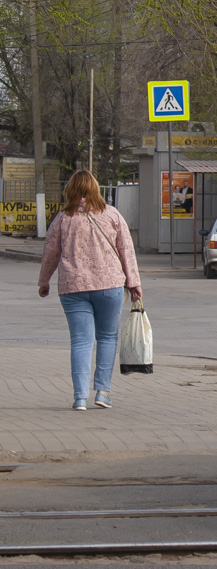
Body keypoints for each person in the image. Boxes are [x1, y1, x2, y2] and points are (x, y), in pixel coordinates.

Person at [37, 170, 143, 411]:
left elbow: (50, 253)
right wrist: (134, 283)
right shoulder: (112, 215)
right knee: (107, 337)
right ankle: (102, 392)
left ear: (71, 190)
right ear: (96, 189)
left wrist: (44, 281)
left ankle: (79, 398)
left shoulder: (63, 219)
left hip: (73, 287)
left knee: (80, 341)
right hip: (109, 285)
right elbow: (126, 250)